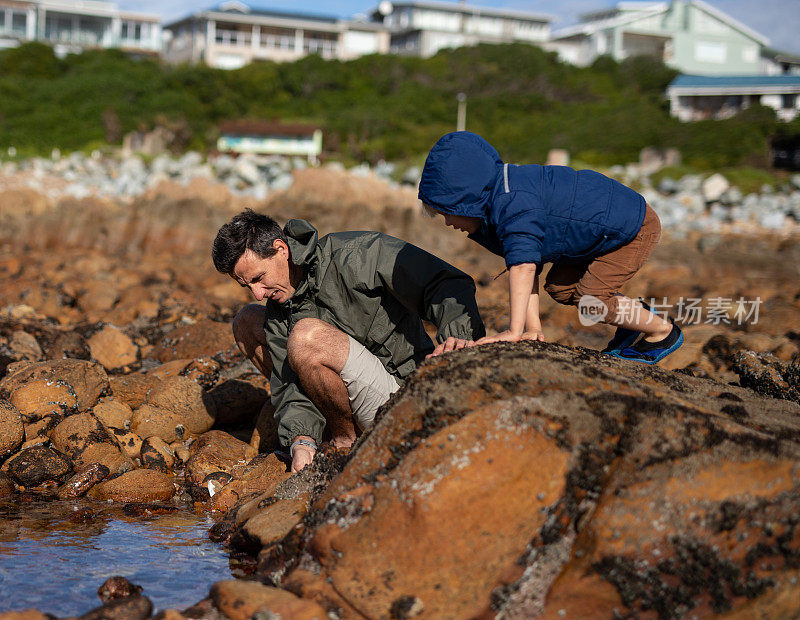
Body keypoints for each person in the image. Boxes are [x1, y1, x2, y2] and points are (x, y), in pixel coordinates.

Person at [212, 210, 485, 472]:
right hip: (345, 402)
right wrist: (302, 442)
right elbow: (289, 385)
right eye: (247, 286)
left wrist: (457, 337)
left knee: (306, 337)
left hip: (403, 398)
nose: (257, 293)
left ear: (281, 250)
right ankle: (327, 432)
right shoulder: (279, 306)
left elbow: (446, 283)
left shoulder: (357, 255)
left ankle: (345, 443)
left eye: (259, 278)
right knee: (248, 319)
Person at [418, 131, 683, 364]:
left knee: (592, 300)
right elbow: (529, 264)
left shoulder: (513, 203)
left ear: (467, 200)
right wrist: (532, 329)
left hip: (633, 227)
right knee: (561, 287)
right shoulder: (502, 192)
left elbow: (523, 266)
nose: (449, 223)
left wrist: (513, 331)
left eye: (447, 213)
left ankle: (662, 333)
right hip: (594, 231)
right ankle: (635, 319)